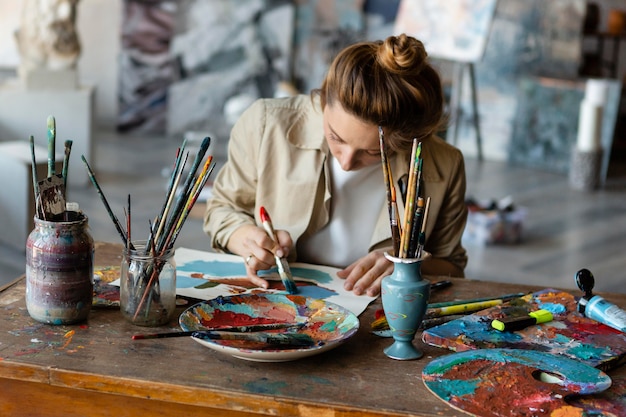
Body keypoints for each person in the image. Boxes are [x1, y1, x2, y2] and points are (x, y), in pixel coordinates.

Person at [203, 34, 468, 297]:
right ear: (323, 99)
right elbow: (222, 209)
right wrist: (245, 238)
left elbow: (452, 266)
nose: (346, 161)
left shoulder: (443, 165)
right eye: (336, 137)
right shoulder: (266, 125)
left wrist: (408, 265)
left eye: (374, 152)